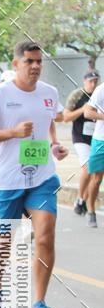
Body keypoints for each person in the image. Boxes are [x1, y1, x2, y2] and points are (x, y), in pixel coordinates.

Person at [0, 40, 68, 308]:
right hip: (7, 178)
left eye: (39, 61)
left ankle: (39, 303)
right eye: (29, 61)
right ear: (15, 64)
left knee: (44, 236)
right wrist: (13, 132)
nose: (36, 66)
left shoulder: (49, 93)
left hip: (41, 175)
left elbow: (49, 119)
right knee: (6, 239)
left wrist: (54, 144)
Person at [64, 71, 99, 223]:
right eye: (90, 81)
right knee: (87, 167)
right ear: (84, 81)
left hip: (96, 138)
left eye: (95, 81)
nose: (93, 84)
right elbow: (65, 117)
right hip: (80, 137)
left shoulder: (99, 94)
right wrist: (83, 109)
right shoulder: (77, 95)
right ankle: (80, 198)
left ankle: (82, 200)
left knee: (95, 172)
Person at [84, 78, 104, 229]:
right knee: (97, 179)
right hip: (101, 140)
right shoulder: (101, 90)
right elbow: (87, 112)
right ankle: (90, 209)